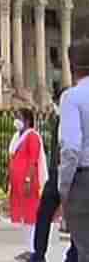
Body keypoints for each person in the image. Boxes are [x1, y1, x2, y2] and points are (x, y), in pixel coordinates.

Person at [31, 89, 78, 262]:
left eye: (55, 102)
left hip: (68, 174)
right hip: (57, 174)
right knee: (44, 214)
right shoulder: (58, 119)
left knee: (75, 217)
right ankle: (39, 254)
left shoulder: (71, 119)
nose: (54, 105)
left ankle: (72, 254)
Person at [60, 39, 89, 262]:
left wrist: (64, 188)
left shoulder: (72, 97)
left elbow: (71, 149)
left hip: (84, 182)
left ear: (72, 67)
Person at [9, 108, 48, 262]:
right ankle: (27, 249)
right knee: (23, 218)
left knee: (31, 217)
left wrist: (27, 180)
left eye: (18, 117)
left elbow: (33, 160)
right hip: (17, 184)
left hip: (29, 184)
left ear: (27, 120)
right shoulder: (17, 137)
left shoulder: (32, 136)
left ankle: (33, 250)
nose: (16, 120)